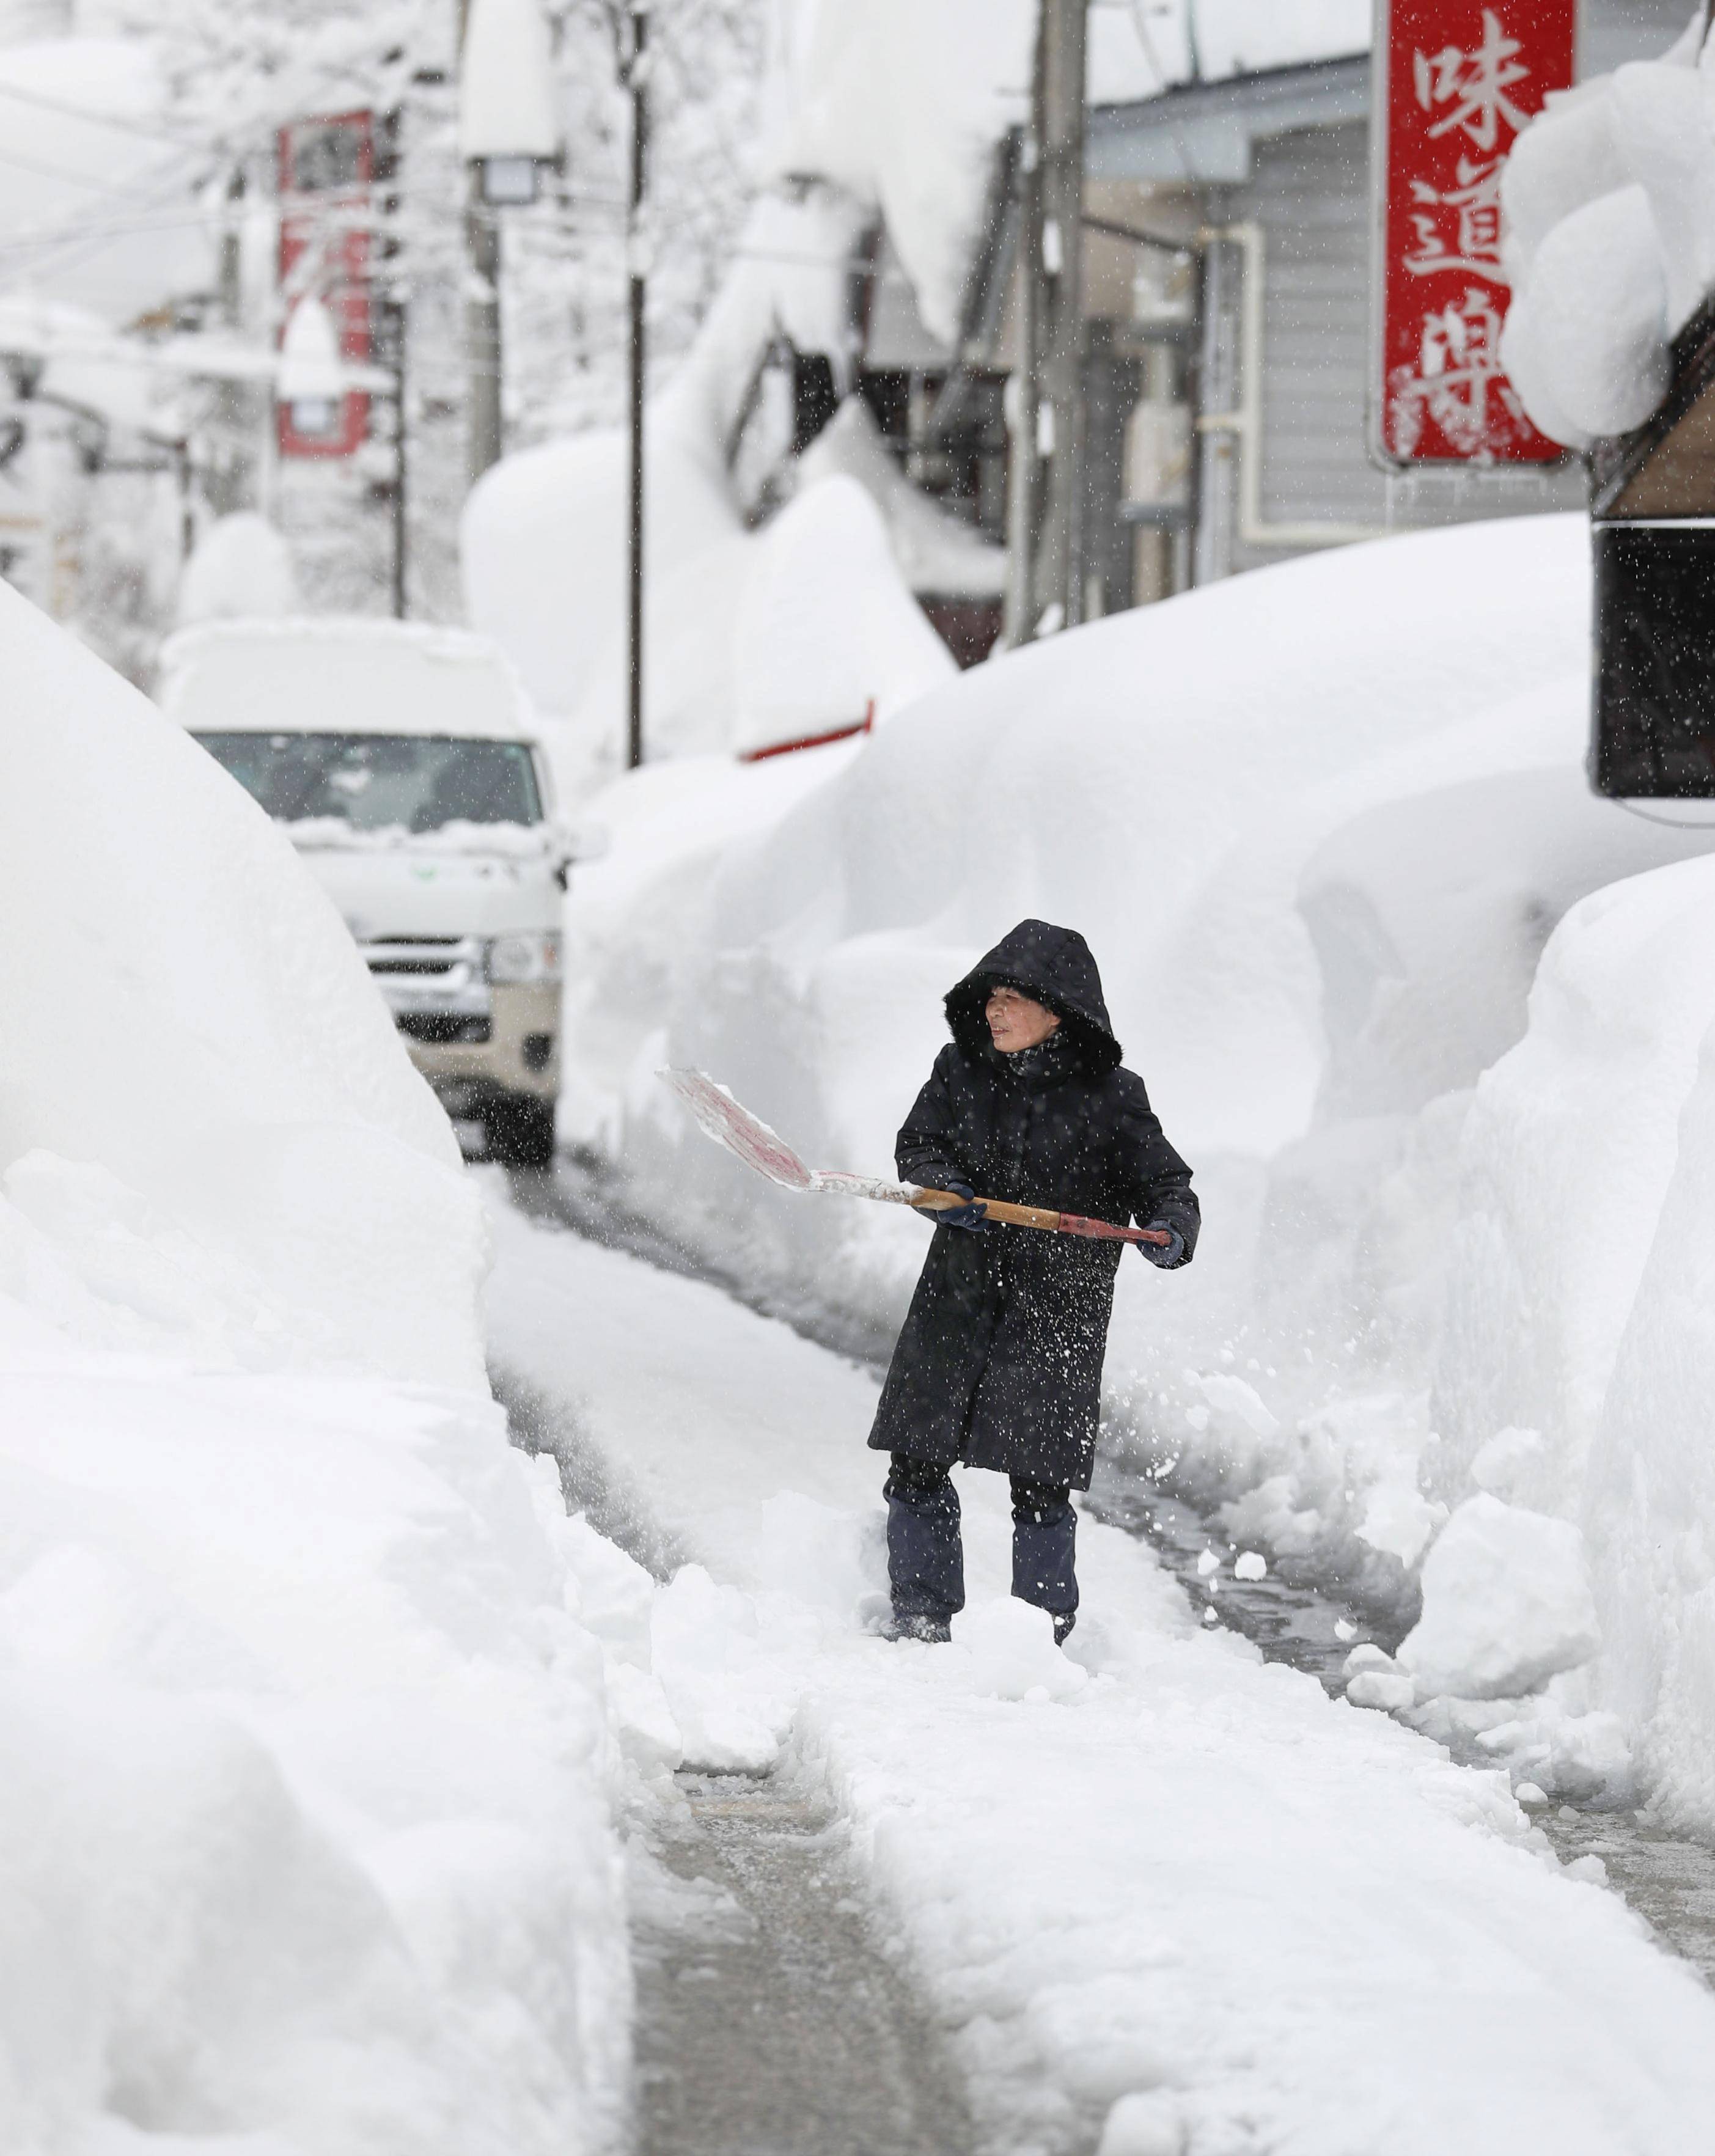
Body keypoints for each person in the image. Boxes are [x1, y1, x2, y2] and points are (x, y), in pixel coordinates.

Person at [867, 920, 1199, 1645]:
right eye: (991, 996)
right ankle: (922, 1617)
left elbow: (1166, 1184)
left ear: (1060, 1009)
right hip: (958, 1295)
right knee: (916, 1459)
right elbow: (919, 1145)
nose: (996, 1010)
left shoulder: (1113, 1097)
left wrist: (1171, 1231)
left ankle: (1038, 1634)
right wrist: (942, 1186)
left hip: (1058, 1308)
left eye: (1014, 997)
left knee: (1040, 1484)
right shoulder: (959, 1072)